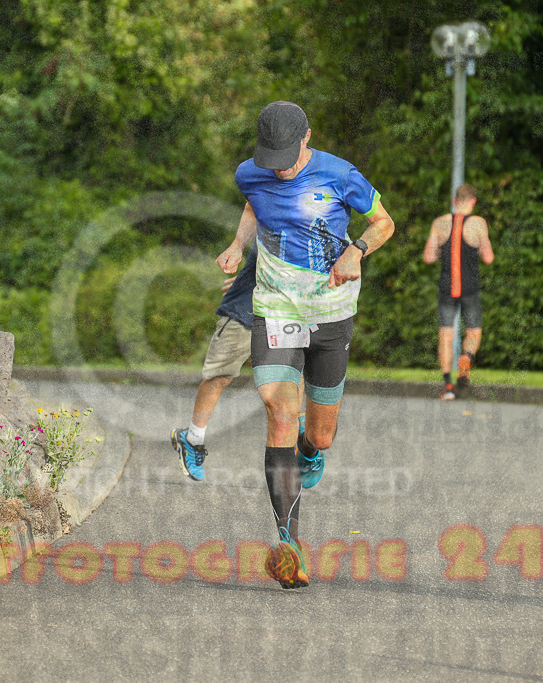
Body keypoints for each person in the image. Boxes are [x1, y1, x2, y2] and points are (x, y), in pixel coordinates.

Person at [216, 101, 395, 588]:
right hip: (277, 306)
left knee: (320, 434)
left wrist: (357, 250)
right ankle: (288, 541)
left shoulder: (341, 175)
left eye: (288, 158)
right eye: (270, 159)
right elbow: (254, 203)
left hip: (331, 311)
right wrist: (238, 245)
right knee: (279, 409)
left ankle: (310, 452)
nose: (278, 169)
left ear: (307, 139)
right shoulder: (250, 174)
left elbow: (384, 223)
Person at [171, 240, 258, 482]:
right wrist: (246, 273)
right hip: (245, 309)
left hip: (287, 312)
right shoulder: (270, 204)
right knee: (220, 375)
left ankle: (305, 445)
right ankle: (192, 439)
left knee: (295, 374)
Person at [422, 184, 494, 401]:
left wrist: (441, 251)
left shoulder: (440, 223)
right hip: (470, 289)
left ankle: (448, 387)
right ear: (473, 202)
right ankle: (466, 357)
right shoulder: (479, 224)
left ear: (455, 201)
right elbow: (489, 258)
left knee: (445, 334)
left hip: (446, 288)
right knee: (473, 331)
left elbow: (428, 257)